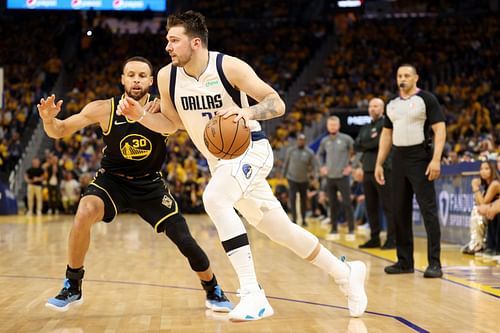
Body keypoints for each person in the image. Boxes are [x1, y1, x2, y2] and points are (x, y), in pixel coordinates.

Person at [117, 11, 367, 321]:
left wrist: (246, 115)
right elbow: (172, 124)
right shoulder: (168, 76)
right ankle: (346, 273)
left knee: (215, 199)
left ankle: (253, 294)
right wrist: (140, 115)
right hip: (220, 164)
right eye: (167, 40)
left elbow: (276, 103)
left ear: (195, 43)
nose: (167, 46)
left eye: (173, 40)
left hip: (252, 150)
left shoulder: (229, 67)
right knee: (281, 231)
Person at [37, 56, 233, 313]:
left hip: (150, 185)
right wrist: (48, 120)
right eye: (131, 75)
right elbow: (60, 131)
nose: (136, 80)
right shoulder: (104, 108)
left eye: (142, 75)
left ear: (151, 81)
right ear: (123, 79)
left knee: (184, 238)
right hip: (112, 181)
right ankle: (73, 286)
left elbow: (186, 128)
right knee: (84, 211)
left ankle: (213, 289)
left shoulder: (163, 109)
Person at [375, 64, 446, 278]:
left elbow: (440, 129)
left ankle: (435, 263)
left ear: (416, 78)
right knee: (399, 211)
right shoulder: (392, 103)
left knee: (428, 211)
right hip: (398, 159)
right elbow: (386, 135)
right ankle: (404, 261)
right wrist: (379, 163)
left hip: (420, 157)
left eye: (406, 75)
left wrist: (436, 160)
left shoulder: (427, 99)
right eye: (399, 75)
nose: (402, 79)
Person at [355, 98, 395, 249]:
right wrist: (369, 143)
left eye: (376, 106)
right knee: (370, 206)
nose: (372, 109)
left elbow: (380, 143)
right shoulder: (365, 126)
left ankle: (392, 239)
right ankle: (374, 238)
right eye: (371, 106)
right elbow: (356, 145)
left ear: (382, 109)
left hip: (384, 169)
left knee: (388, 206)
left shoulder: (386, 125)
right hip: (367, 170)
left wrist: (367, 144)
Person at [317, 116, 356, 241]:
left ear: (338, 126)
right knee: (332, 204)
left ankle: (351, 230)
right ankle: (334, 229)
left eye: (335, 125)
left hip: (343, 176)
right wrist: (322, 167)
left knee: (347, 203)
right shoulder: (325, 141)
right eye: (330, 125)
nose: (332, 127)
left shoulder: (346, 139)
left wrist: (351, 167)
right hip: (330, 177)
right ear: (328, 126)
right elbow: (318, 155)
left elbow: (357, 152)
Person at [462, 160, 500, 254]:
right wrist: (477, 190)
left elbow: (483, 204)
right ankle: (476, 242)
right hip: (491, 212)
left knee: (477, 213)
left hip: (495, 212)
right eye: (481, 169)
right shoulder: (487, 185)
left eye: (486, 169)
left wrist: (475, 188)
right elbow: (479, 203)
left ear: (492, 170)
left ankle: (478, 244)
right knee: (476, 210)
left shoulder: (495, 184)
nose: (483, 171)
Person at [283, 133, 318, 226]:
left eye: (302, 140)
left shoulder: (309, 152)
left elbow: (314, 166)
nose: (300, 141)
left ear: (305, 141)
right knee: (292, 198)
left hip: (304, 179)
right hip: (292, 178)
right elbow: (286, 163)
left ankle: (303, 219)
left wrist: (314, 176)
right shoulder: (291, 151)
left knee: (303, 200)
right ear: (297, 141)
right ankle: (294, 219)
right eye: (299, 140)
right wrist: (283, 175)